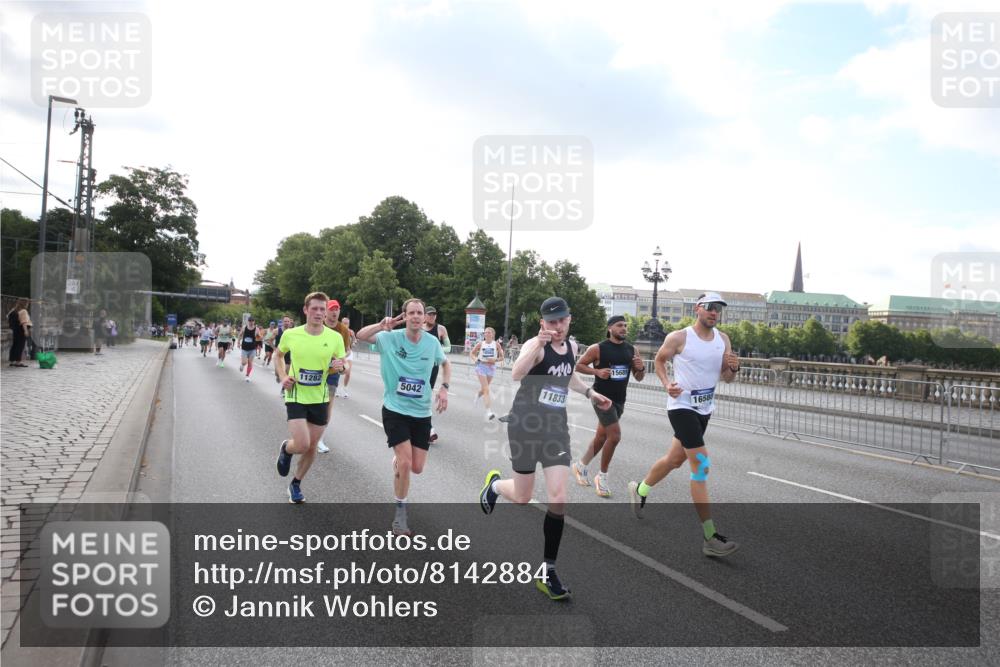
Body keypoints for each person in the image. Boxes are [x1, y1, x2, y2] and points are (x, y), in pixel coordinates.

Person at [479, 297, 612, 600]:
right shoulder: (533, 345)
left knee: (559, 497)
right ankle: (496, 486)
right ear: (543, 323)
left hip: (555, 430)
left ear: (569, 320)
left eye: (561, 321)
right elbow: (516, 373)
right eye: (551, 322)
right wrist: (538, 345)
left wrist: (591, 393)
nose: (557, 327)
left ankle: (547, 571)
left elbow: (569, 377)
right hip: (524, 426)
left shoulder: (574, 347)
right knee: (524, 497)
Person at [627, 293, 742, 557]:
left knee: (674, 459)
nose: (715, 313)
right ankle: (710, 537)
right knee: (701, 465)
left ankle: (640, 489)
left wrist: (733, 369)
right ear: (698, 309)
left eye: (718, 310)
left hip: (704, 409)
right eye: (710, 308)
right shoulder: (679, 337)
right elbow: (658, 360)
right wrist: (668, 385)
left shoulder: (723, 340)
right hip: (681, 408)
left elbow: (726, 378)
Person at [357, 299, 450, 537]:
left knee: (417, 467)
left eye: (420, 313)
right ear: (405, 316)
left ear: (425, 317)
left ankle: (400, 462)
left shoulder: (431, 342)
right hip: (395, 409)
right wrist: (380, 325)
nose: (417, 316)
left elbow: (445, 363)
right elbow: (360, 335)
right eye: (412, 313)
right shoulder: (390, 338)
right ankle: (400, 517)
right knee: (406, 463)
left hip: (421, 413)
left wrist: (444, 388)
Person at [274, 293, 346, 503]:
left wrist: (340, 366)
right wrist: (283, 376)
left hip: (320, 397)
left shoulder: (334, 338)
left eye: (322, 309)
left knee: (312, 446)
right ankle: (287, 448)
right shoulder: (291, 334)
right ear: (305, 310)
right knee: (302, 444)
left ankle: (296, 483)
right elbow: (278, 355)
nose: (319, 313)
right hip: (296, 394)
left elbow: (341, 363)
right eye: (314, 308)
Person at [571, 315, 646, 497]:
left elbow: (639, 377)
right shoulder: (598, 348)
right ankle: (602, 477)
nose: (624, 329)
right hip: (601, 398)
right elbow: (578, 365)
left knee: (601, 437)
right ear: (610, 328)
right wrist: (596, 371)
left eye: (625, 326)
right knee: (615, 436)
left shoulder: (632, 350)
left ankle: (580, 466)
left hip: (619, 400)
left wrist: (641, 367)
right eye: (620, 325)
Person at [317, 301, 351, 453]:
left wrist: (341, 361)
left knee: (328, 404)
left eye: (337, 309)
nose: (334, 312)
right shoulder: (318, 325)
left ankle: (320, 438)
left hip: (332, 373)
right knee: (312, 403)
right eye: (332, 309)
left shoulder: (342, 329)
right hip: (315, 370)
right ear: (326, 312)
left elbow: (347, 350)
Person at [422, 306, 451, 443]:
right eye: (430, 315)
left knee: (425, 395)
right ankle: (428, 428)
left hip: (433, 367)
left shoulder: (441, 329)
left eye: (434, 315)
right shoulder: (418, 328)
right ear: (424, 316)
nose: (432, 317)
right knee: (420, 395)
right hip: (417, 366)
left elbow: (448, 347)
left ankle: (427, 428)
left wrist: (435, 350)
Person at [469, 327, 504, 421]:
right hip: (481, 367)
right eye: (485, 333)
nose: (487, 334)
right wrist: (476, 359)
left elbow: (502, 357)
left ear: (493, 334)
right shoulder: (481, 344)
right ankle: (489, 412)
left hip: (491, 368)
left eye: (489, 332)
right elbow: (471, 353)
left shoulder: (497, 345)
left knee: (485, 388)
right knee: (486, 389)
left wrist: (495, 360)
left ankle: (477, 395)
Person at [7, 299, 30, 367]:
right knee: (20, 346)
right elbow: (24, 322)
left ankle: (12, 361)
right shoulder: (24, 311)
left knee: (15, 345)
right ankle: (18, 362)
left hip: (16, 330)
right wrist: (26, 331)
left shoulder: (15, 310)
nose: (28, 305)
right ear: (25, 304)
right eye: (27, 303)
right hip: (21, 330)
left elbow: (7, 316)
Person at [339, 316, 356, 398]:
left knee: (348, 373)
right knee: (337, 372)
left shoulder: (351, 332)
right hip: (339, 353)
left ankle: (344, 388)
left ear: (349, 324)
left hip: (348, 353)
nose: (345, 325)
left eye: (347, 323)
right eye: (344, 323)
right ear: (341, 323)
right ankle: (336, 388)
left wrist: (353, 340)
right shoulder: (338, 331)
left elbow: (354, 342)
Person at [238, 317, 259, 382]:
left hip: (252, 348)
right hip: (244, 348)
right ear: (248, 321)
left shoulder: (256, 329)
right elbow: (240, 334)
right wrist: (238, 342)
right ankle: (242, 365)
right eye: (250, 321)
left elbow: (259, 337)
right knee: (244, 362)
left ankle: (247, 375)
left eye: (252, 321)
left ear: (254, 321)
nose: (251, 322)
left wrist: (258, 336)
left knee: (250, 362)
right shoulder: (244, 327)